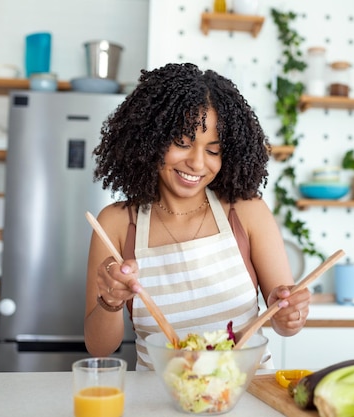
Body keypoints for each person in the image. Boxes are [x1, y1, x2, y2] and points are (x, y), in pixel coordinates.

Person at [84, 62, 311, 369]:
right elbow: (99, 348)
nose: (196, 163)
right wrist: (109, 301)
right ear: (149, 139)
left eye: (213, 151)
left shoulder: (246, 212)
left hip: (245, 396)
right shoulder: (116, 223)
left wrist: (289, 313)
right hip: (158, 401)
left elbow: (284, 323)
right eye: (182, 143)